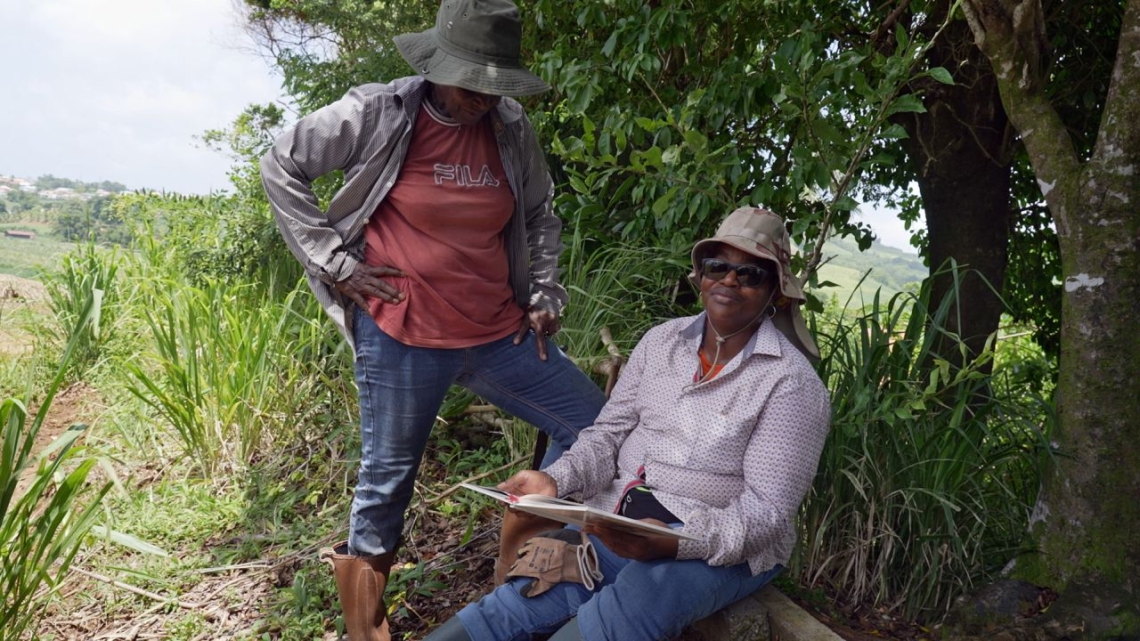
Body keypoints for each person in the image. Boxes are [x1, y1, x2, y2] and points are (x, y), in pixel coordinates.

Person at [259, 1, 607, 639]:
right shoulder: (379, 112)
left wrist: (546, 291)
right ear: (437, 65)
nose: (482, 97)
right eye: (470, 80)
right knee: (387, 483)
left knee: (597, 428)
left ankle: (534, 564)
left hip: (500, 332)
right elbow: (281, 163)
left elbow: (540, 216)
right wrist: (333, 261)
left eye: (493, 83)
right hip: (402, 335)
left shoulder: (510, 127)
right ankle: (365, 630)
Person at [425, 206, 832, 641]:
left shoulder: (790, 384)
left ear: (777, 292)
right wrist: (555, 481)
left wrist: (679, 543)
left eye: (751, 273)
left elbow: (765, 513)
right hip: (618, 520)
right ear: (701, 277)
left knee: (636, 600)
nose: (730, 280)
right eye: (718, 267)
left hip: (714, 542)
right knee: (512, 605)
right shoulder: (661, 342)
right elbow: (608, 435)